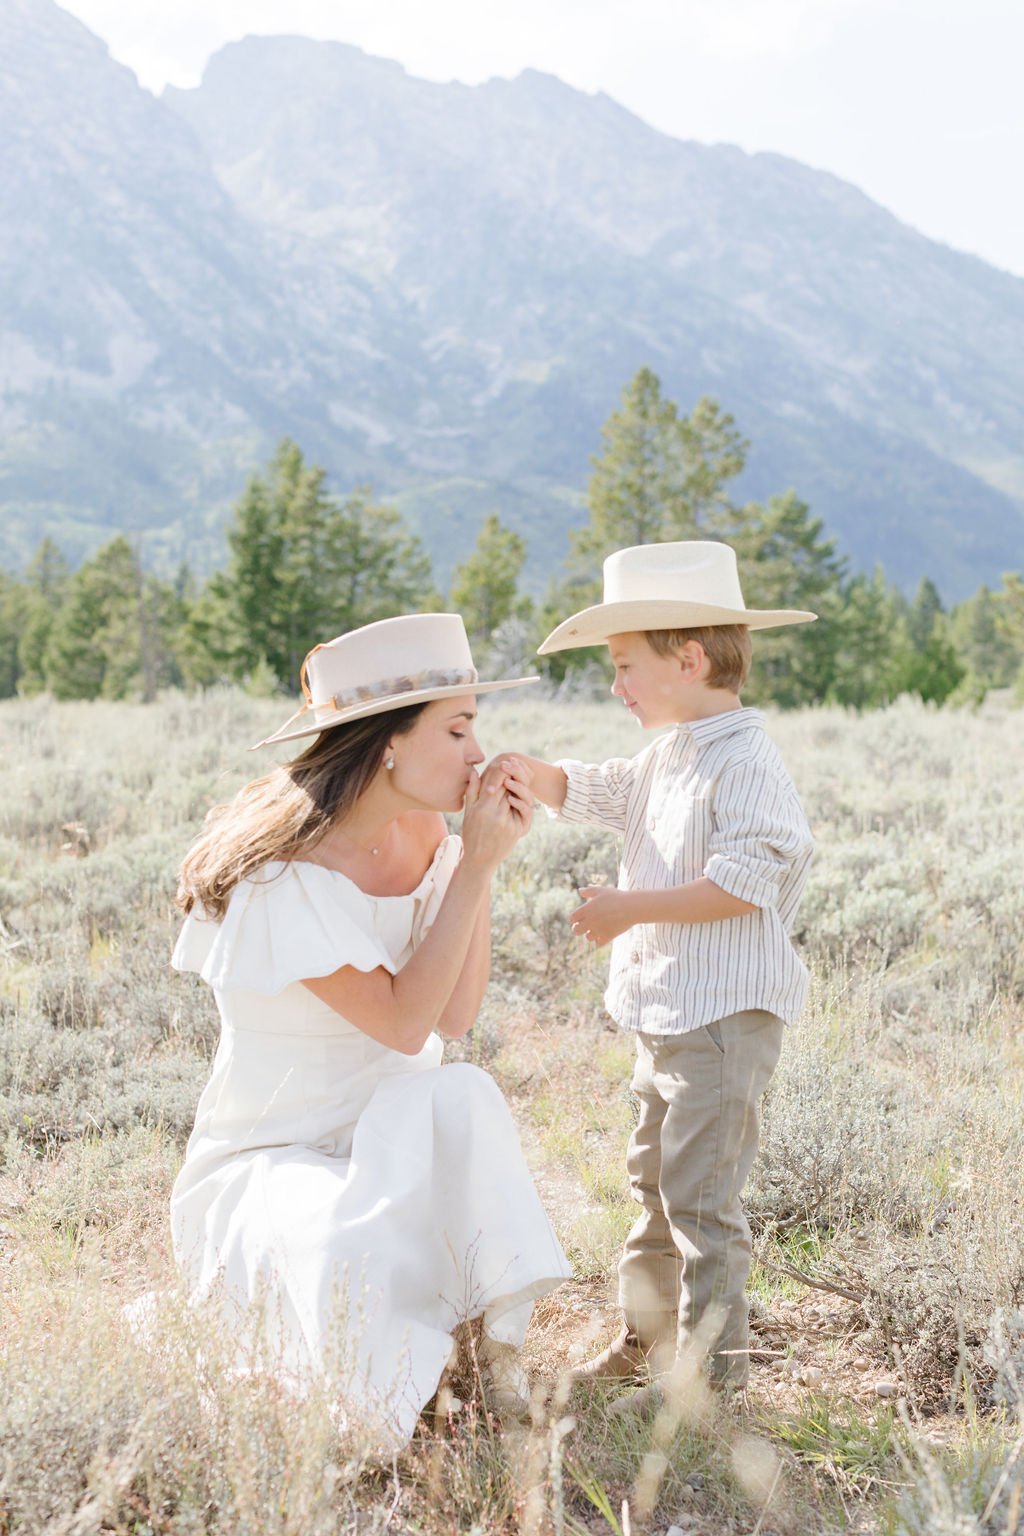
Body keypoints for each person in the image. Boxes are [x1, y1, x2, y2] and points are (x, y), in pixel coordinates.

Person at [169, 613, 571, 1452]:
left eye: (475, 727)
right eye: (457, 729)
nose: (476, 752)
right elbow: (400, 1023)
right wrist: (481, 864)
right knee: (335, 1228)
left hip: (388, 1128)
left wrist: (469, 861)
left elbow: (454, 1020)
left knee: (463, 1092)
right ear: (388, 744)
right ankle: (382, 1402)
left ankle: (481, 1360)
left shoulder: (427, 834)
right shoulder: (280, 876)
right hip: (275, 1153)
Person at [496, 541, 816, 1409]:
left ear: (690, 659)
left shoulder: (744, 757)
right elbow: (609, 791)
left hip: (721, 1020)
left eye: (625, 665)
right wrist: (541, 775)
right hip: (672, 1015)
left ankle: (712, 1385)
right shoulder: (673, 750)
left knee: (701, 1200)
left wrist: (632, 908)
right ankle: (649, 1341)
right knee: (655, 1182)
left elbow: (750, 878)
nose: (616, 685)